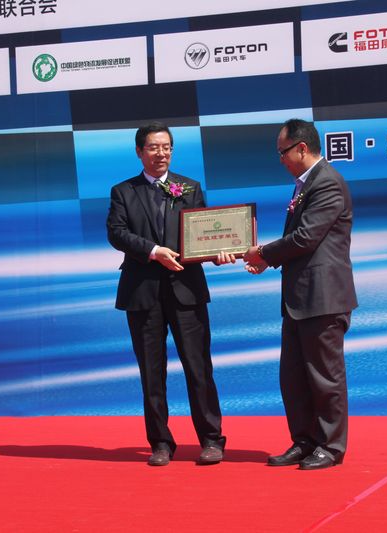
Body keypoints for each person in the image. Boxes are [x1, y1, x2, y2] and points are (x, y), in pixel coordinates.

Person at [106, 122, 234, 466]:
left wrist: (219, 252)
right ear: (139, 152)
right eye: (153, 147)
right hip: (142, 293)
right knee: (152, 372)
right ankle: (161, 443)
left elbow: (204, 234)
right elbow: (116, 233)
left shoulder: (189, 187)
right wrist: (153, 251)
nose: (161, 153)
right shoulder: (123, 191)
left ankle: (211, 439)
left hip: (186, 291)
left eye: (166, 147)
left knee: (199, 368)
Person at [243, 118, 358, 470]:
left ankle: (330, 446)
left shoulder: (327, 183)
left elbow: (306, 237)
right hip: (299, 299)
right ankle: (305, 441)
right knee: (294, 378)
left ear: (302, 148)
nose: (280, 160)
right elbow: (300, 242)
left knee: (325, 377)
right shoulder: (305, 185)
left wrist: (264, 254)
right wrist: (267, 260)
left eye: (283, 152)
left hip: (323, 298)